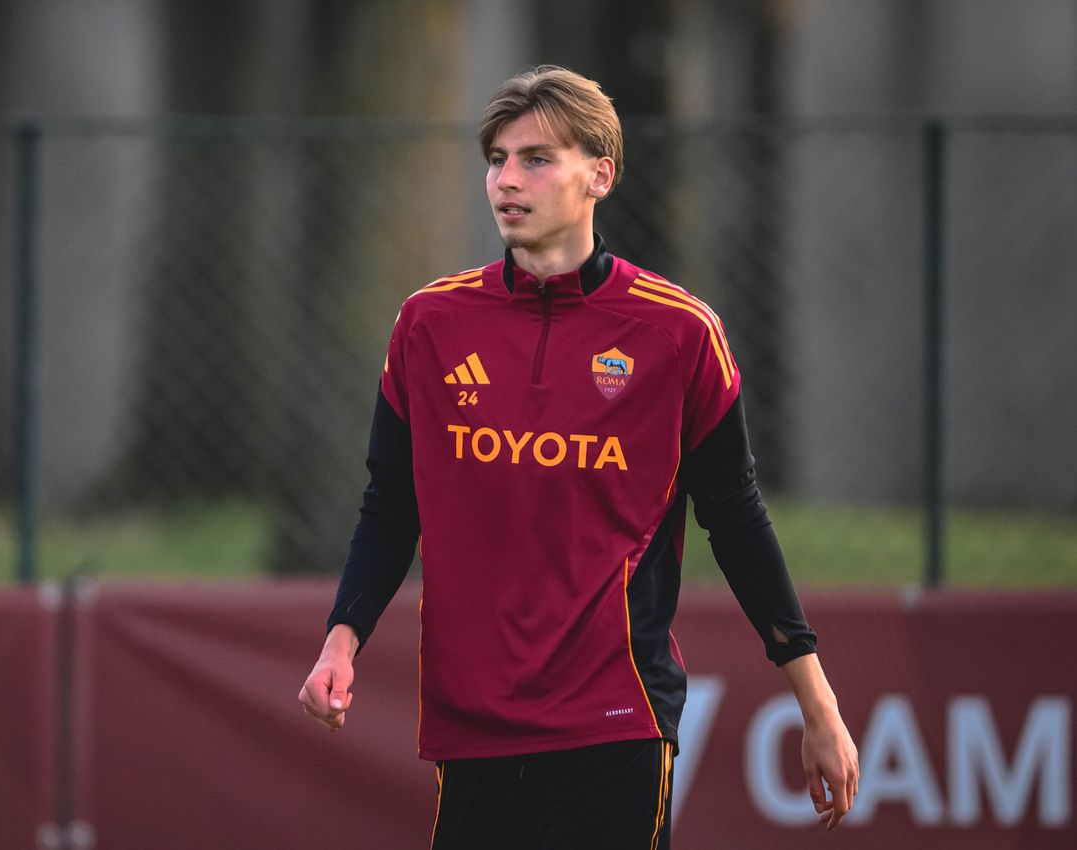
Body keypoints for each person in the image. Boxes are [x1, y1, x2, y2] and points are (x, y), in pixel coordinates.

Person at [299, 65, 858, 849]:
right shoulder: (429, 324)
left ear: (599, 175)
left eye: (535, 158)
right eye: (495, 158)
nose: (505, 180)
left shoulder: (677, 333)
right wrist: (341, 637)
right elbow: (391, 503)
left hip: (615, 716)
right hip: (472, 721)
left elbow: (734, 518)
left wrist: (816, 702)